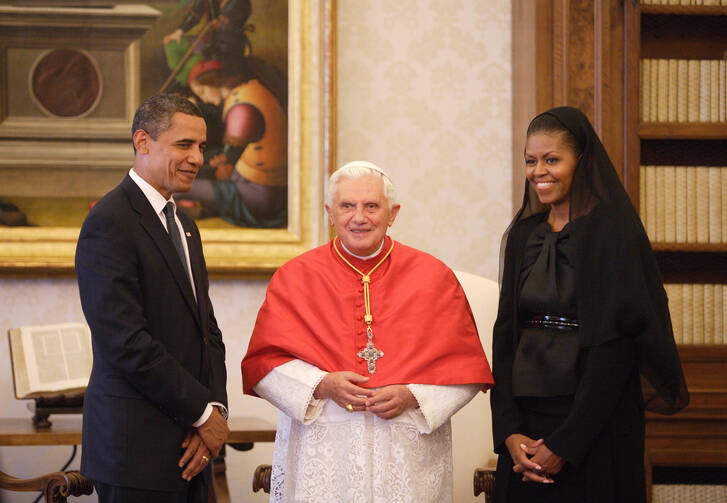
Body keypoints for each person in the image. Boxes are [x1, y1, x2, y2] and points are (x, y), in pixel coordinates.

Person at [241, 161, 494, 502]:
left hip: (406, 451)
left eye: (371, 206)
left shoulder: (434, 277)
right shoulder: (295, 277)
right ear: (330, 213)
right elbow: (264, 364)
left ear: (393, 214)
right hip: (325, 452)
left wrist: (413, 395)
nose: (359, 217)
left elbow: (465, 369)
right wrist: (323, 384)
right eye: (347, 206)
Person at [490, 106, 689, 503]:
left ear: (581, 161)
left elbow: (616, 348)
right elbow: (506, 333)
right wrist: (508, 431)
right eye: (531, 161)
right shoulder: (522, 235)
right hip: (526, 426)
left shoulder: (613, 235)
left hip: (594, 426)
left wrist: (566, 445)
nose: (538, 172)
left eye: (552, 160)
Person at [75, 94, 230, 502]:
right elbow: (126, 342)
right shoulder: (109, 221)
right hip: (135, 452)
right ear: (142, 142)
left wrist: (216, 410)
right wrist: (202, 413)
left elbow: (206, 331)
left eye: (201, 146)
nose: (197, 158)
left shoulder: (185, 225)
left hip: (193, 446)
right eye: (184, 145)